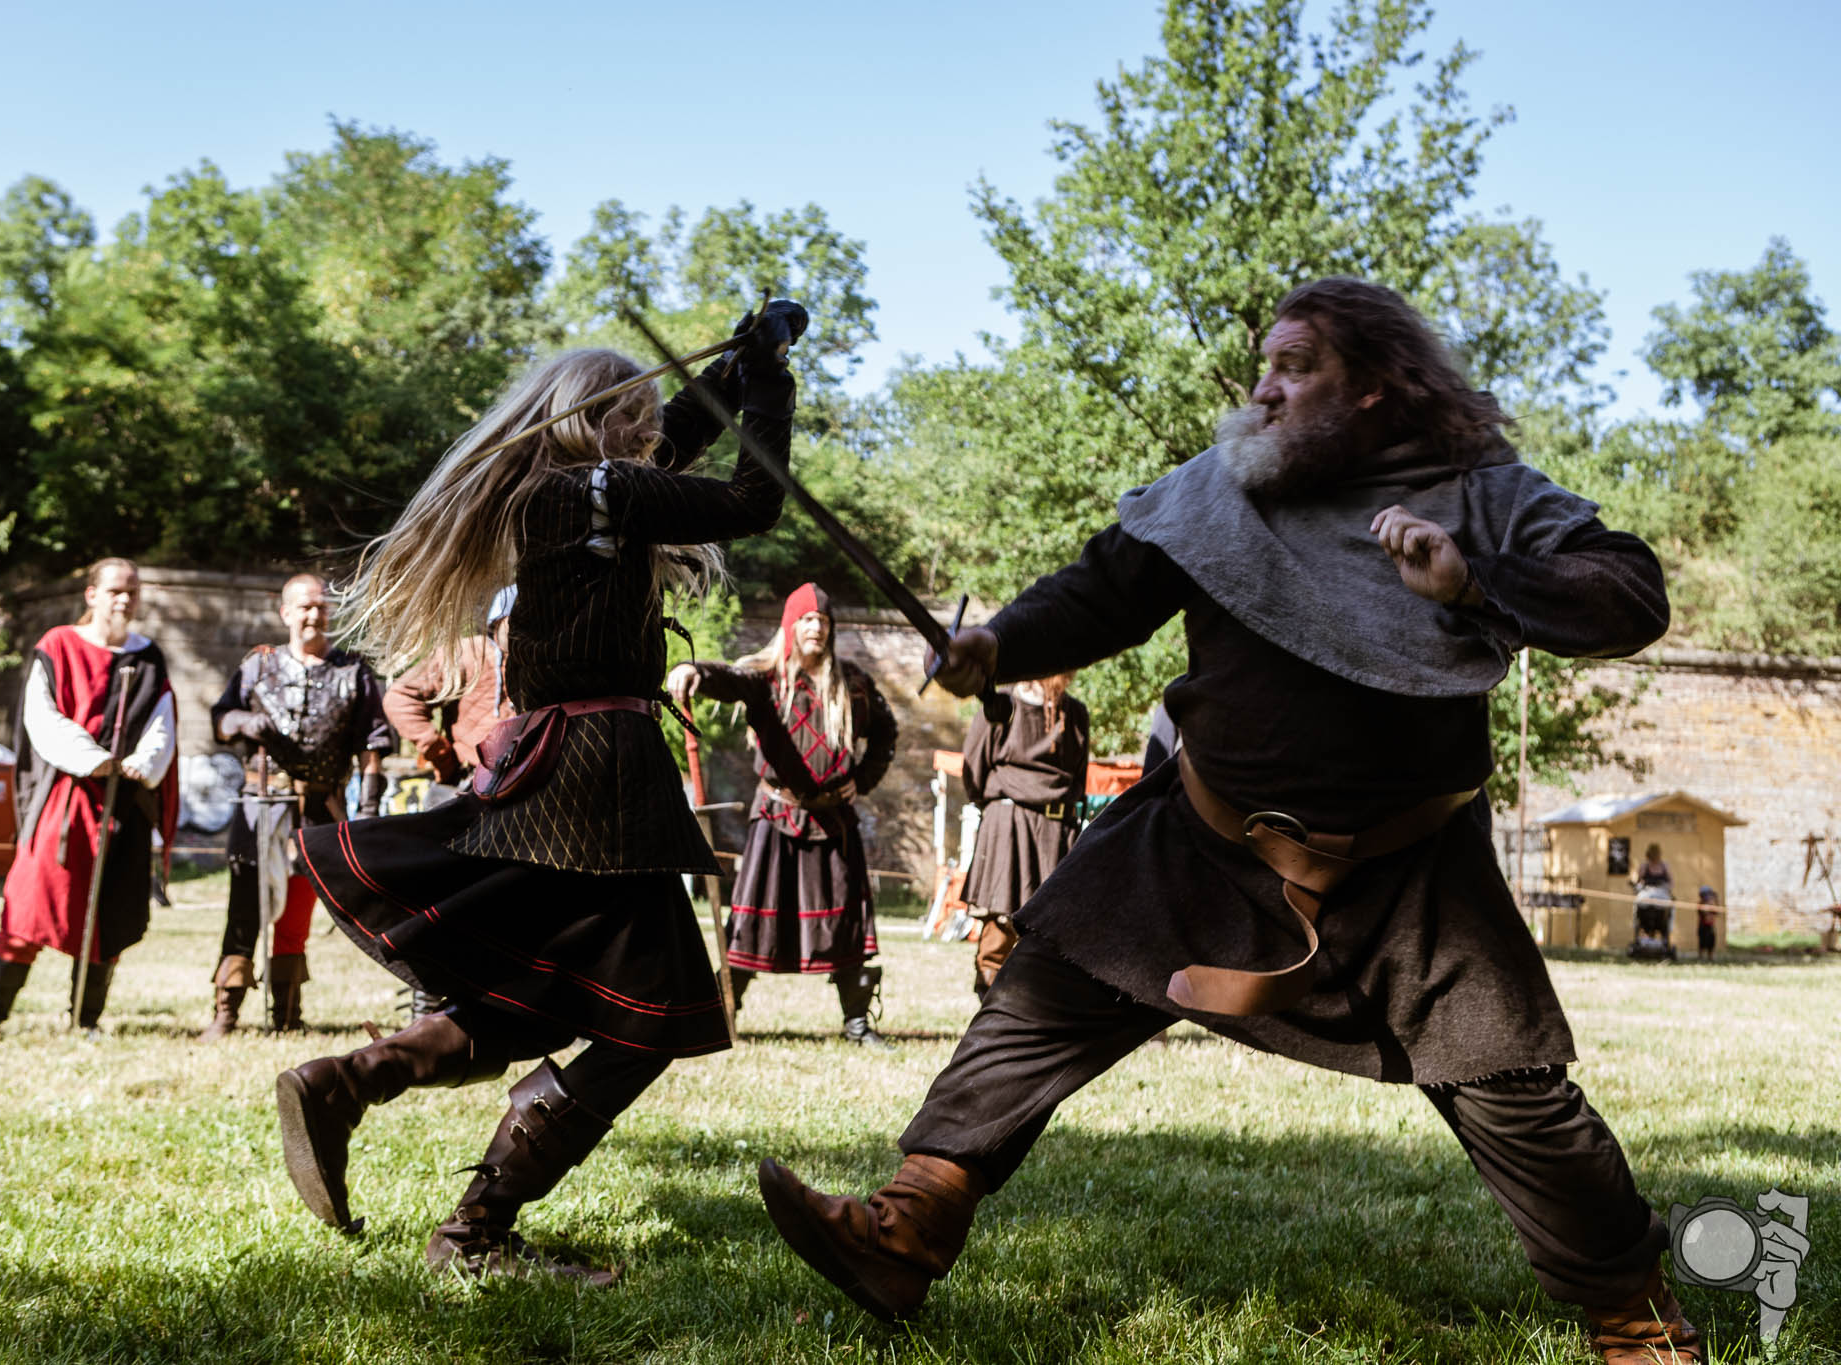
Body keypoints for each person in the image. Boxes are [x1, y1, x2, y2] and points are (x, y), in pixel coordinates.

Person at [755, 279, 1700, 1364]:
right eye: (1265, 366)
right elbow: (1103, 589)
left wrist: (1474, 579)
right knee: (1037, 998)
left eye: (1295, 366)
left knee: (1513, 1093)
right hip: (1199, 837)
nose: (1265, 388)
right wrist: (1001, 644)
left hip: (1408, 874)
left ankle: (1635, 1321)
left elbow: (1628, 591)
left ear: (1372, 386)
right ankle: (909, 1223)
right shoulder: (1220, 487)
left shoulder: (1481, 495)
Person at [276, 302, 803, 1282]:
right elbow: (750, 499)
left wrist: (735, 370)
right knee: (646, 1020)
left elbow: (673, 442)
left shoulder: (572, 493)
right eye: (635, 416)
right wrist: (769, 385)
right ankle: (472, 1234)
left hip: (577, 768)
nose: (651, 435)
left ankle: (350, 1080)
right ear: (596, 421)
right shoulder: (597, 491)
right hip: (597, 778)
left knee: (542, 996)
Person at [0, 558, 179, 1040]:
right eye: (116, 590)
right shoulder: (58, 645)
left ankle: (85, 1020)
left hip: (124, 803)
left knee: (109, 913)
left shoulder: (149, 656)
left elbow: (163, 719)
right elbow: (42, 714)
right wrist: (89, 757)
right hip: (67, 797)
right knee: (30, 904)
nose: (125, 599)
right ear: (91, 594)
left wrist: (142, 761)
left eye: (133, 591)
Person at [668, 582, 899, 1046]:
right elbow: (728, 679)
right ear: (791, 625)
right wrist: (694, 670)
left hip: (834, 822)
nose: (816, 627)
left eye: (824, 620)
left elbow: (886, 732)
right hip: (777, 816)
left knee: (847, 926)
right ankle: (717, 1017)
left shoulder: (853, 684)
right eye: (807, 619)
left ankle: (856, 1023)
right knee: (749, 925)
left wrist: (864, 779)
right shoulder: (767, 681)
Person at [198, 573, 395, 1041]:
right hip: (260, 802)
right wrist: (244, 721)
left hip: (317, 807)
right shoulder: (257, 667)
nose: (314, 615)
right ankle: (227, 1012)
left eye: (321, 607)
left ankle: (286, 1013)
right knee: (245, 906)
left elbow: (372, 745)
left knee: (296, 912)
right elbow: (220, 720)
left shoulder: (353, 672)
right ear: (285, 612)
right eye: (304, 606)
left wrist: (367, 812)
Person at [958, 674, 1088, 997]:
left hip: (1056, 829)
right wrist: (1000, 810)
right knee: (1001, 923)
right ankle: (992, 1005)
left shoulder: (1075, 713)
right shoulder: (1003, 705)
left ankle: (1040, 1007)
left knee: (1053, 929)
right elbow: (974, 767)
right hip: (1009, 823)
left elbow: (1079, 777)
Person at [383, 587, 518, 812]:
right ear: (498, 619)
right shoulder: (466, 652)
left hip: (524, 783)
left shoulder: (538, 660)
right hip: (468, 782)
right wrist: (440, 754)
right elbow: (400, 699)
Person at [1695, 886, 1721, 962]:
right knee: (1702, 942)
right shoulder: (1701, 903)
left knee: (1711, 942)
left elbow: (1717, 912)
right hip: (1703, 926)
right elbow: (1702, 913)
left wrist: (1713, 905)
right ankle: (1701, 956)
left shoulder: (1713, 903)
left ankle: (1710, 957)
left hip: (1711, 926)